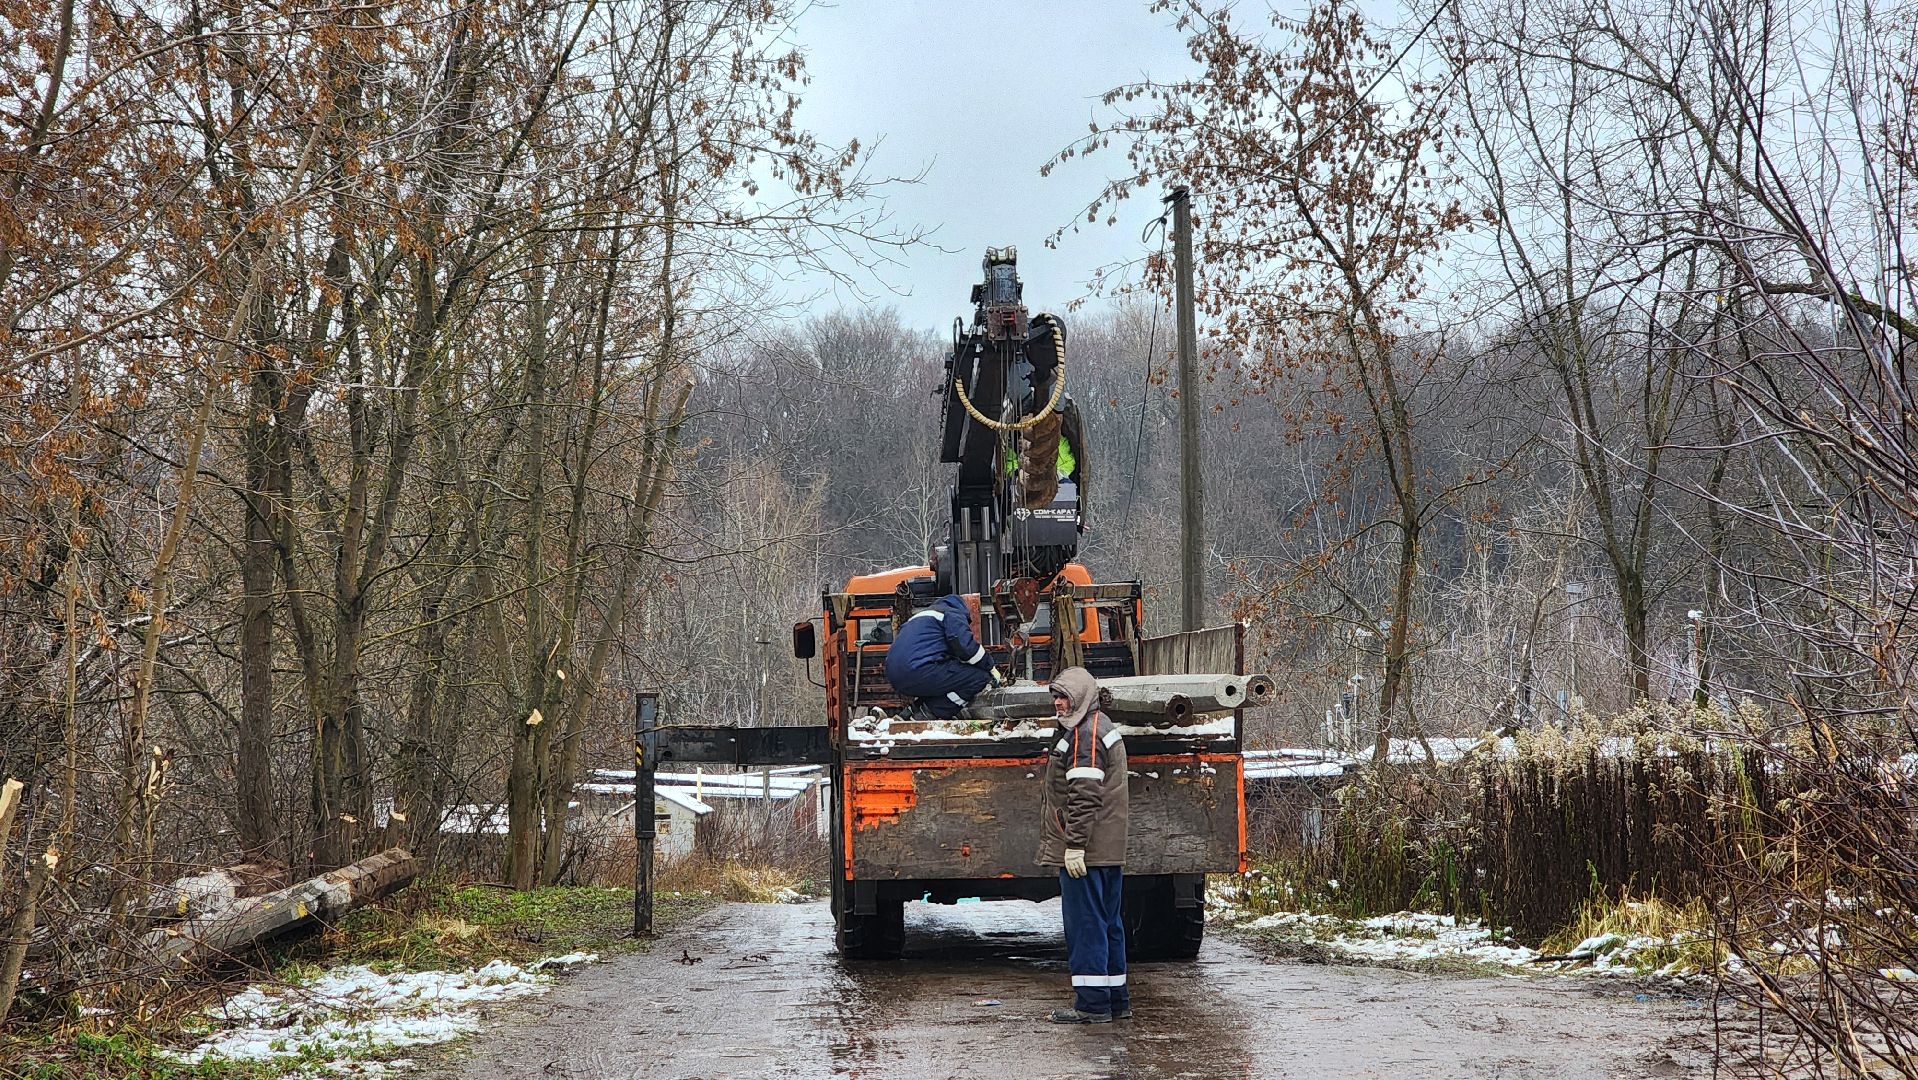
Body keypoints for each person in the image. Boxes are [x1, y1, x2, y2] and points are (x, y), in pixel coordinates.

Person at [1035, 666, 1129, 1023]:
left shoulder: (1086, 735)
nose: (1058, 703)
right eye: (1056, 697)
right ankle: (1115, 1000)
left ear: (1081, 698)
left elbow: (1085, 796)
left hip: (1088, 852)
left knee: (1087, 924)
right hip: (1106, 850)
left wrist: (1074, 846)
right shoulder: (1098, 726)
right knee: (1108, 922)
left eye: (1064, 697)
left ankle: (1092, 1005)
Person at [883, 593, 1004, 721]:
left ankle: (909, 713)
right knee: (978, 678)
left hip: (894, 675)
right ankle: (929, 714)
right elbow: (966, 647)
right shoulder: (952, 614)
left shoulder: (919, 618)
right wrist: (990, 667)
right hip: (919, 670)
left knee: (943, 682)